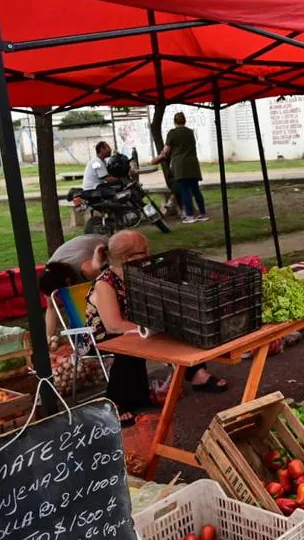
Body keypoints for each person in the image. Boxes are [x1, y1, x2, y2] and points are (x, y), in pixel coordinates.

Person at [86, 231, 227, 425]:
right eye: (143, 252)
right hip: (107, 336)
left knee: (178, 326)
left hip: (139, 327)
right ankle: (115, 401)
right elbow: (113, 325)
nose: (149, 254)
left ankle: (196, 374)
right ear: (127, 258)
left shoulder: (139, 274)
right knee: (130, 346)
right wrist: (148, 328)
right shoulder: (105, 283)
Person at [38, 234, 108, 339]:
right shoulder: (49, 278)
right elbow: (51, 308)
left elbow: (108, 286)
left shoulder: (87, 269)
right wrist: (49, 337)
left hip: (108, 250)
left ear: (68, 282)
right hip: (80, 251)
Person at [152, 112, 208, 223]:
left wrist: (159, 157)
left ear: (174, 121)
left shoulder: (172, 133)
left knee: (185, 190)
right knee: (196, 189)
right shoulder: (190, 132)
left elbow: (166, 150)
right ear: (184, 121)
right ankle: (203, 214)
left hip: (181, 165)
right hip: (193, 164)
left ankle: (190, 216)